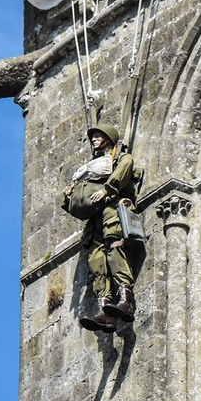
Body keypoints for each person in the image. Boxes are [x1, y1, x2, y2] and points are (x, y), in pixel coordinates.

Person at [62, 123, 137, 333]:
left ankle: (125, 300)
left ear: (108, 137)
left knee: (115, 249)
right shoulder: (92, 167)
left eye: (98, 135)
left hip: (112, 211)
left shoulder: (121, 158)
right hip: (95, 220)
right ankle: (105, 311)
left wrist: (107, 189)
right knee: (97, 261)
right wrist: (71, 195)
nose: (94, 138)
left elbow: (123, 171)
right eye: (93, 136)